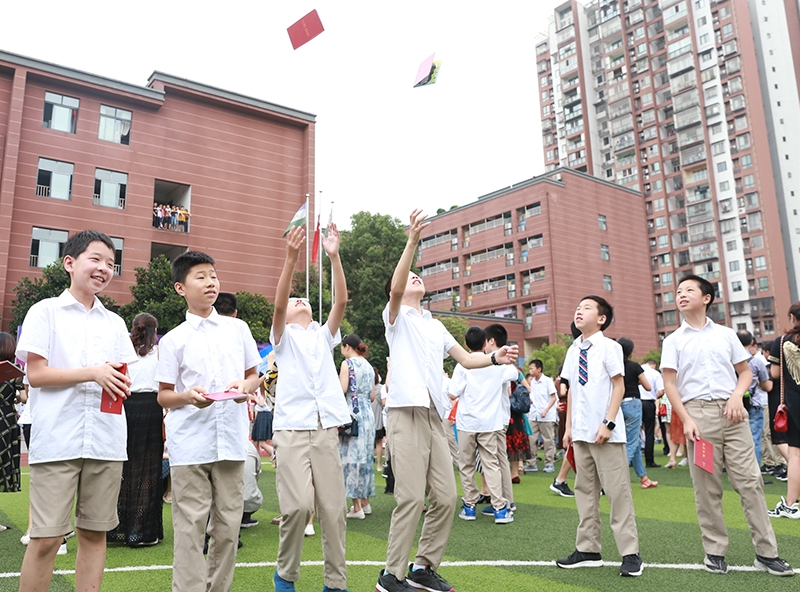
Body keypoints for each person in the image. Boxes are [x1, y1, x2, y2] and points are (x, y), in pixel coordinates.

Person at [377, 209, 518, 592]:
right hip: (405, 412)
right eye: (411, 277)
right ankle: (391, 575)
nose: (416, 279)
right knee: (409, 497)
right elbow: (394, 290)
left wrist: (494, 357)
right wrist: (411, 241)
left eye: (419, 276)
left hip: (436, 417)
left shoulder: (435, 325)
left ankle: (423, 567)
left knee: (446, 495)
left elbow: (467, 359)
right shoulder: (396, 318)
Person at [15, 230, 138, 592]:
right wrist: (93, 373)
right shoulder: (45, 312)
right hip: (58, 439)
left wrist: (116, 383)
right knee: (46, 539)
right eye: (95, 259)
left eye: (111, 264)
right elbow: (35, 375)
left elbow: (119, 380)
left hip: (106, 440)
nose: (104, 269)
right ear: (70, 263)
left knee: (94, 534)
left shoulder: (115, 323)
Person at [661, 274, 793, 576]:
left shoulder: (725, 334)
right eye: (678, 291)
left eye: (689, 290)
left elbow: (744, 373)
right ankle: (715, 551)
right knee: (707, 488)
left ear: (706, 298)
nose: (681, 295)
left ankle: (766, 553)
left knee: (751, 482)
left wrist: (737, 395)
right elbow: (670, 384)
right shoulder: (673, 341)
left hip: (734, 416)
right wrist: (687, 419)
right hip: (698, 416)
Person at [156, 251, 262, 592]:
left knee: (229, 526)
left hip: (231, 439)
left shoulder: (238, 328)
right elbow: (164, 396)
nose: (210, 282)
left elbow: (252, 375)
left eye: (213, 275)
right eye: (200, 276)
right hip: (190, 442)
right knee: (190, 527)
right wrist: (188, 397)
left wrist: (246, 386)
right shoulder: (173, 340)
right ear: (180, 287)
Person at [270, 224, 350, 592]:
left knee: (334, 511)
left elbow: (340, 303)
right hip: (290, 428)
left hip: (324, 428)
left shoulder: (323, 336)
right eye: (296, 302)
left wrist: (334, 256)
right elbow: (280, 303)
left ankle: (336, 583)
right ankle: (286, 574)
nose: (301, 302)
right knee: (299, 507)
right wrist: (290, 258)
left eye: (306, 300)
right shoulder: (282, 340)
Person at [555, 295, 643, 577]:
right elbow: (572, 393)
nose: (579, 311)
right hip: (581, 434)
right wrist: (569, 429)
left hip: (606, 434)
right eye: (577, 307)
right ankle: (588, 550)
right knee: (585, 493)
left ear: (601, 318)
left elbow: (619, 386)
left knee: (618, 493)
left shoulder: (609, 347)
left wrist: (608, 423)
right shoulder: (573, 350)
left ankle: (631, 554)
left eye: (586, 308)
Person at [450, 326, 519, 524]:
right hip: (490, 422)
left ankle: (470, 506)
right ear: (485, 343)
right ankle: (499, 508)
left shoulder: (462, 366)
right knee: (492, 464)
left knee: (467, 465)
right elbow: (515, 374)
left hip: (467, 422)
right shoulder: (496, 364)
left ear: (465, 345)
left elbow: (453, 393)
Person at [108, 313, 164, 547]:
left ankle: (119, 527)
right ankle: (139, 530)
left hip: (127, 407)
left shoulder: (123, 352)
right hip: (151, 408)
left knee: (125, 469)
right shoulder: (160, 352)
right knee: (149, 471)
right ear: (154, 330)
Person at [767, 302, 800, 519]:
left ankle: (790, 504)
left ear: (792, 317)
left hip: (795, 401)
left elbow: (775, 374)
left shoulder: (781, 342)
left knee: (796, 453)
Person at [339, 333, 377, 520]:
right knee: (365, 458)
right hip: (367, 414)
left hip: (351, 414)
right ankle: (365, 501)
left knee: (350, 458)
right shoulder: (369, 366)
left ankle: (356, 507)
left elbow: (342, 389)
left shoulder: (348, 364)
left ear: (347, 346)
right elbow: (372, 396)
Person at [617, 337, 657, 489]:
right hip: (633, 404)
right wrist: (636, 380)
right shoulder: (634, 366)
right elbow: (648, 387)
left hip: (618, 405)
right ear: (630, 352)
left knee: (634, 442)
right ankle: (618, 479)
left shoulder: (615, 367)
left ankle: (644, 478)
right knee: (632, 442)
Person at [736, 330, 773, 474]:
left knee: (736, 439)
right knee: (754, 439)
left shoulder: (729, 360)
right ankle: (754, 472)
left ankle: (738, 471)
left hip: (734, 404)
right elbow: (766, 385)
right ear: (752, 342)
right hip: (754, 404)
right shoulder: (756, 362)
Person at [525, 360, 558, 474]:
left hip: (546, 416)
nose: (530, 371)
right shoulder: (532, 382)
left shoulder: (548, 381)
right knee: (531, 438)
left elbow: (554, 397)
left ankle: (549, 464)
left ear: (539, 369)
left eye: (532, 368)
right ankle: (531, 462)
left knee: (548, 439)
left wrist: (546, 410)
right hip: (534, 414)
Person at [640, 359, 663, 463]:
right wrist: (654, 396)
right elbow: (661, 391)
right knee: (649, 431)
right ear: (653, 365)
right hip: (649, 403)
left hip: (635, 402)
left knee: (634, 431)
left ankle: (630, 459)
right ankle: (649, 460)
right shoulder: (655, 373)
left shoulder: (637, 370)